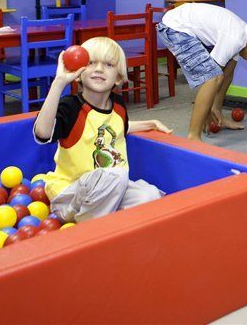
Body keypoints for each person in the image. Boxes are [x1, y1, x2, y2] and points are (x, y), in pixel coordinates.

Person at [33, 37, 172, 223]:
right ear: (79, 73)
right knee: (117, 174)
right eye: (90, 63)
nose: (99, 69)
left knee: (150, 195)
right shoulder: (71, 107)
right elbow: (42, 133)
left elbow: (117, 128)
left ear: (119, 78)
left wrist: (150, 123)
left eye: (108, 64)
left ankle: (105, 223)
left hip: (108, 191)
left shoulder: (119, 107)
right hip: (70, 194)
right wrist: (59, 82)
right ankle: (89, 230)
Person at [158, 3, 247, 141]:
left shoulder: (245, 37)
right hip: (174, 28)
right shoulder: (235, 39)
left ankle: (215, 114)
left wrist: (216, 109)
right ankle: (193, 136)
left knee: (219, 75)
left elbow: (228, 74)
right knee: (213, 77)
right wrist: (206, 113)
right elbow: (211, 78)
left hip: (185, 26)